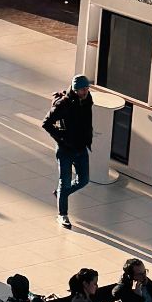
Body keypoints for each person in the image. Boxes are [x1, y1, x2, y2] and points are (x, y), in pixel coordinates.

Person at [42, 75, 94, 229]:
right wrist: (62, 138)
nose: (86, 91)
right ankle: (62, 214)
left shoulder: (88, 99)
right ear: (76, 89)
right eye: (83, 89)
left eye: (87, 89)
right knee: (64, 182)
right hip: (65, 150)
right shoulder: (64, 104)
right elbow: (46, 123)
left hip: (81, 147)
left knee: (83, 180)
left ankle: (61, 194)